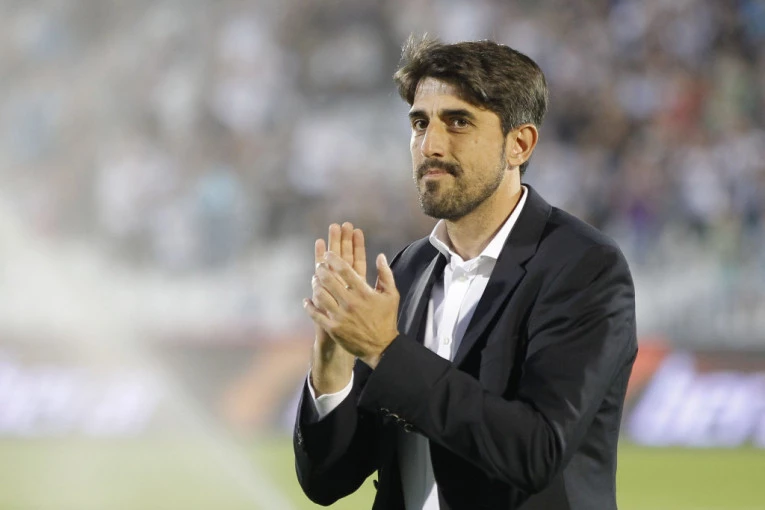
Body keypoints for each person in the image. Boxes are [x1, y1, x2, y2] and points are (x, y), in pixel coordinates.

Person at [294, 35, 637, 510]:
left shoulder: (583, 266)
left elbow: (537, 451)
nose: (430, 145)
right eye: (420, 123)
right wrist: (331, 366)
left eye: (458, 122)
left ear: (519, 144)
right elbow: (328, 482)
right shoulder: (409, 269)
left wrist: (384, 350)